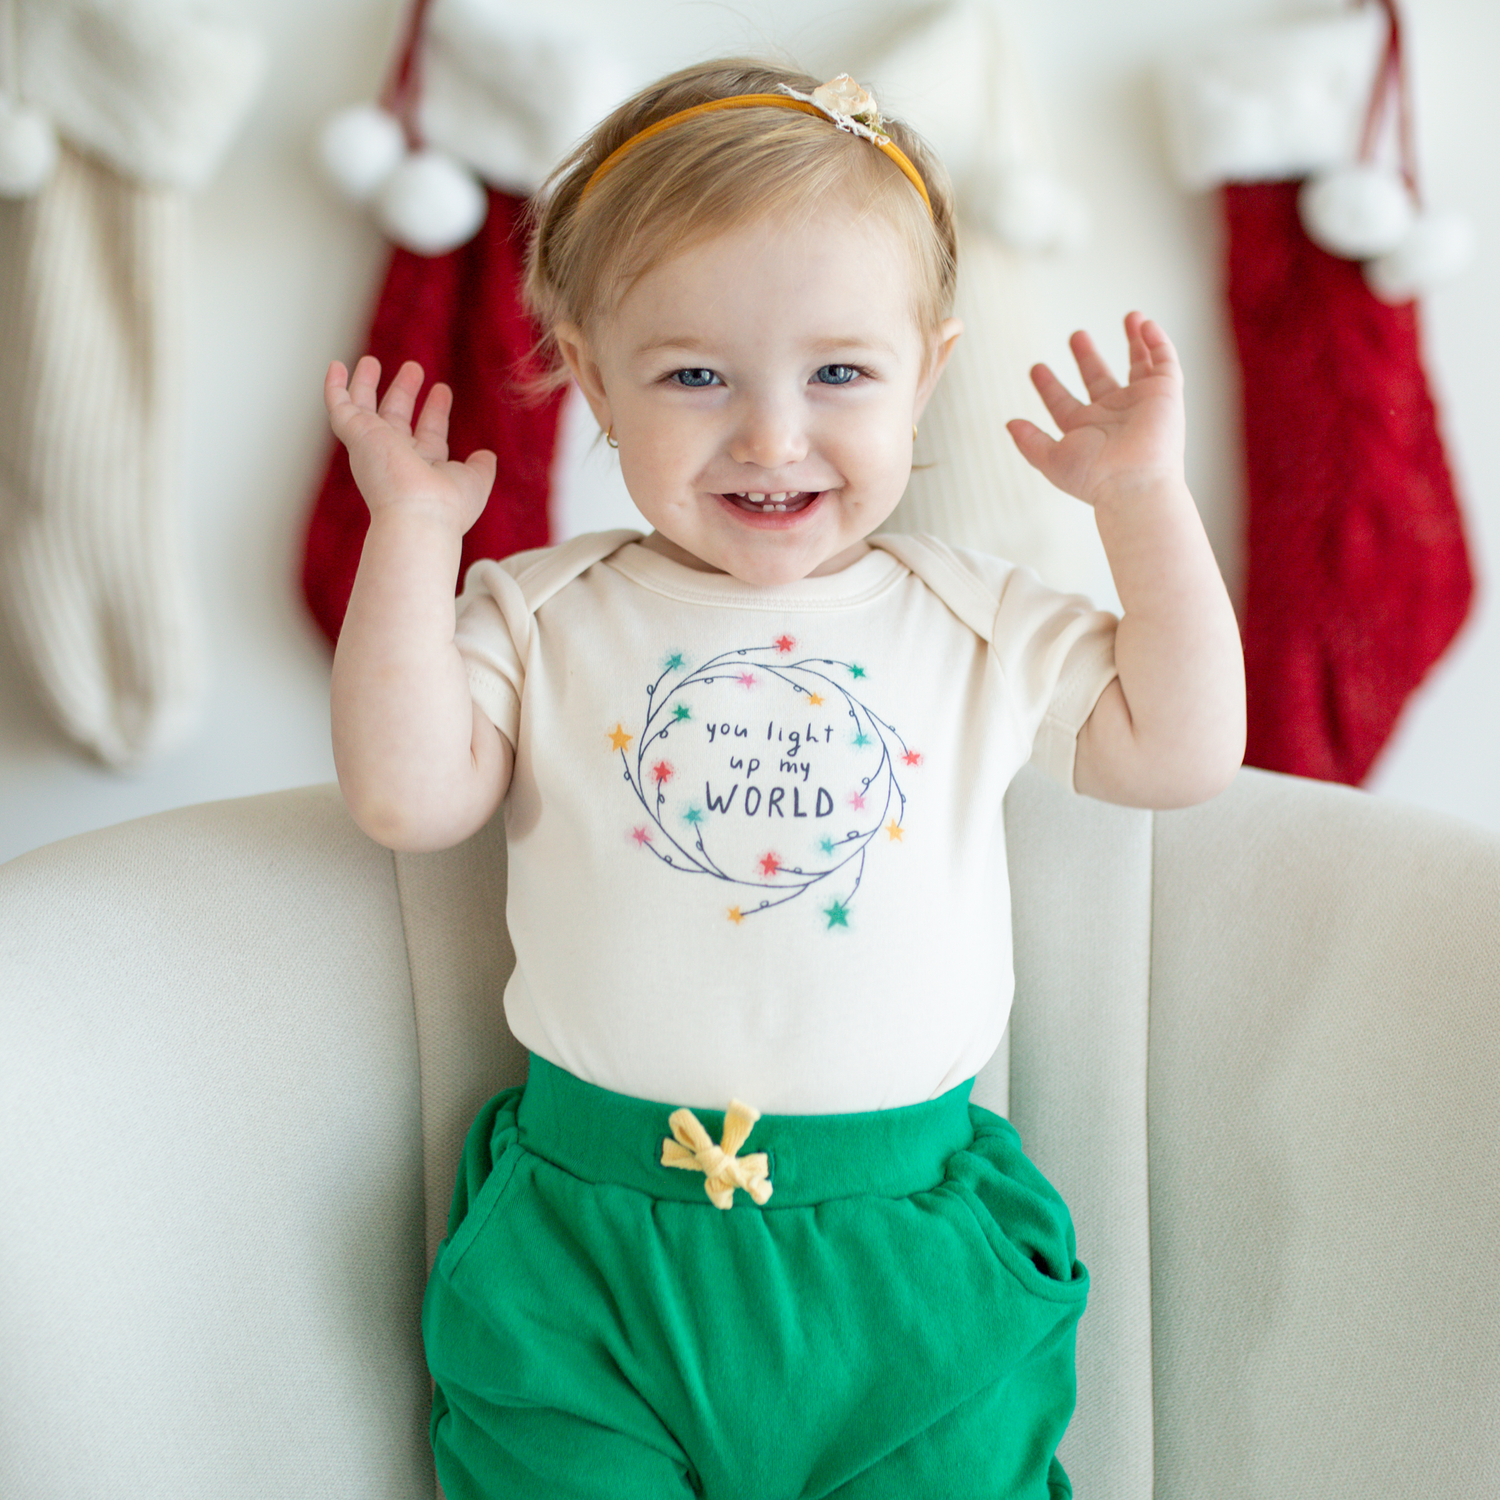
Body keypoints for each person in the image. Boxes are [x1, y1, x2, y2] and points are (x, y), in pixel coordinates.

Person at [323, 58, 1244, 1500]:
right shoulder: (543, 610)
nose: (771, 435)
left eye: (840, 374)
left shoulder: (970, 615)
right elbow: (406, 795)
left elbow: (1182, 751)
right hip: (591, 1255)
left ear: (926, 373)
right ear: (590, 375)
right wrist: (413, 538)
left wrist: (1142, 505)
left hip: (905, 1263)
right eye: (695, 375)